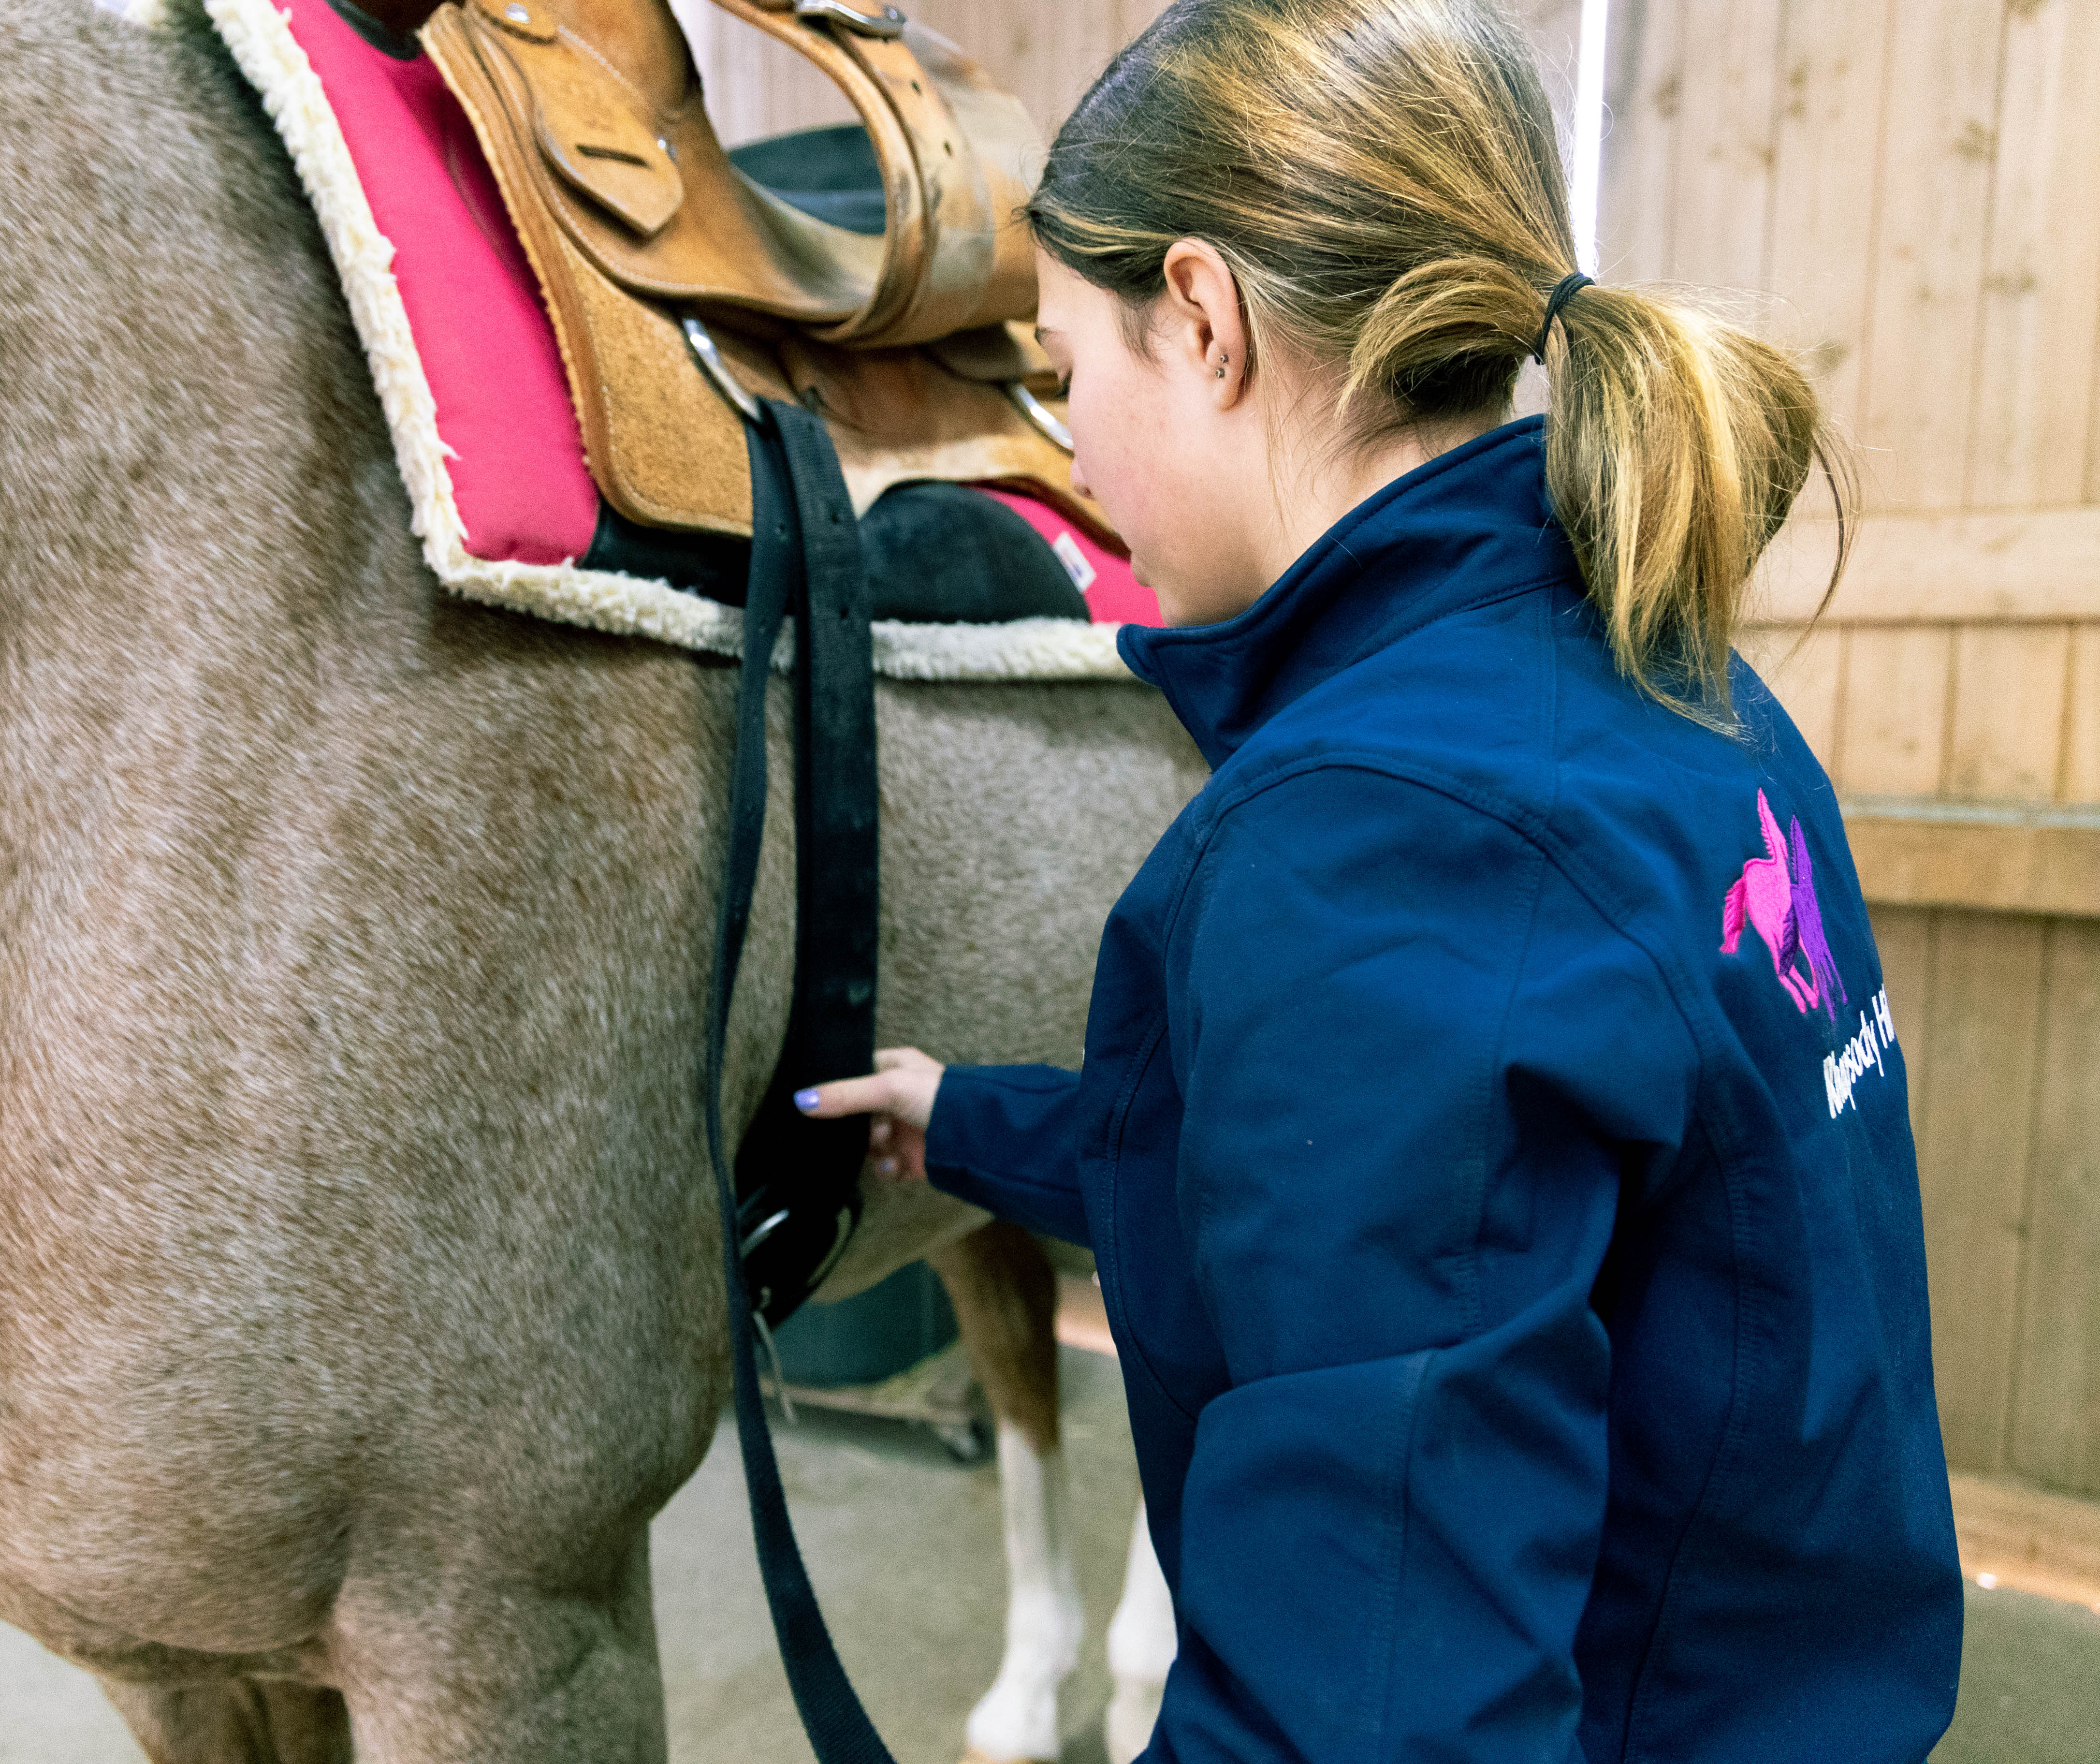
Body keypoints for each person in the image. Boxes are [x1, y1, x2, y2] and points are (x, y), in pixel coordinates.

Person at [793, 1, 1964, 1757]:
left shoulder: (1373, 839)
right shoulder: (1667, 688)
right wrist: (970, 1125)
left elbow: (1372, 1711)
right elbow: (1450, 1199)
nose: (1078, 458)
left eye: (1064, 373)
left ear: (1203, 318)